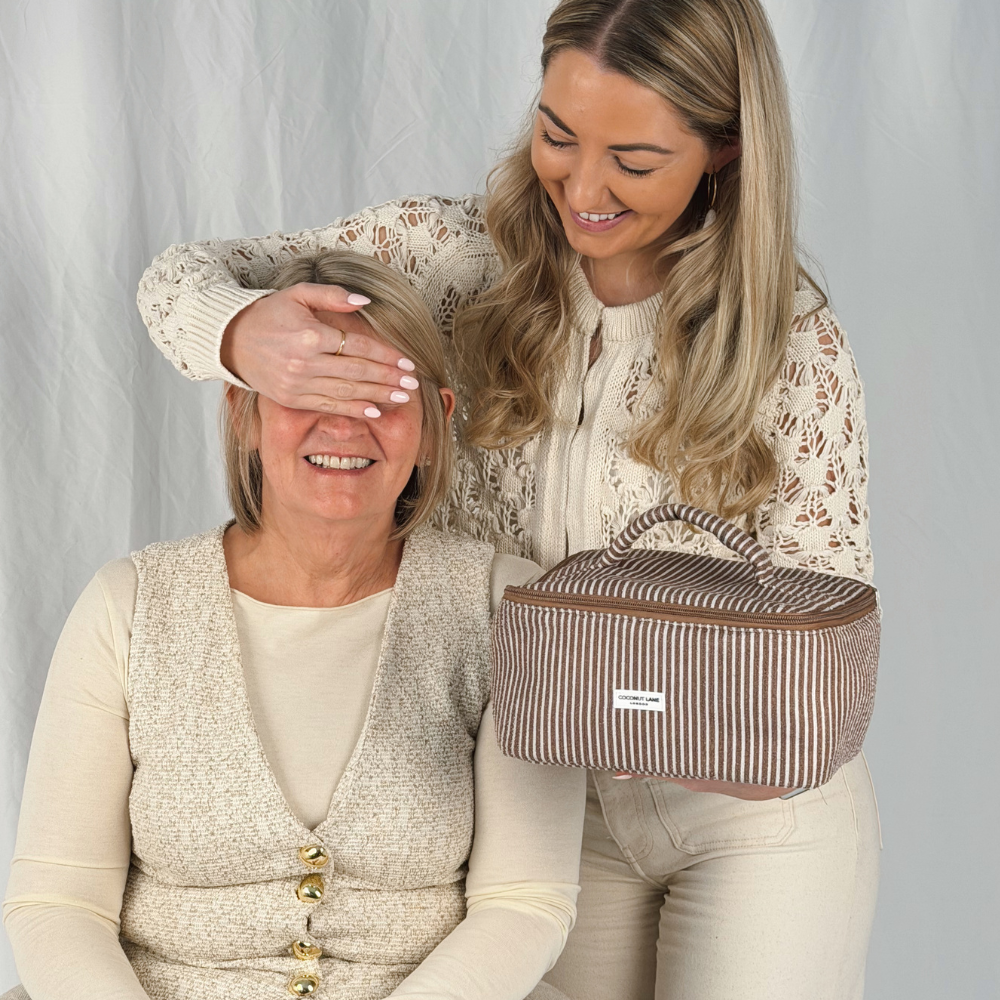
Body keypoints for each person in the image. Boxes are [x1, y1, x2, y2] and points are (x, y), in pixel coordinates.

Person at [131, 1, 881, 997]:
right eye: (558, 136)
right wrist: (240, 331)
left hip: (752, 813)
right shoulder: (448, 256)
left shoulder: (792, 342)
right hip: (541, 814)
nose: (583, 188)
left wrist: (714, 712)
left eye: (634, 160)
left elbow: (831, 613)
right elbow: (180, 276)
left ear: (726, 151)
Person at [2, 252, 586, 1000]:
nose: (344, 423)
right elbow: (59, 905)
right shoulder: (129, 606)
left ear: (435, 424)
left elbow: (524, 902)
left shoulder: (510, 609)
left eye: (381, 392)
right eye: (308, 388)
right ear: (242, 413)